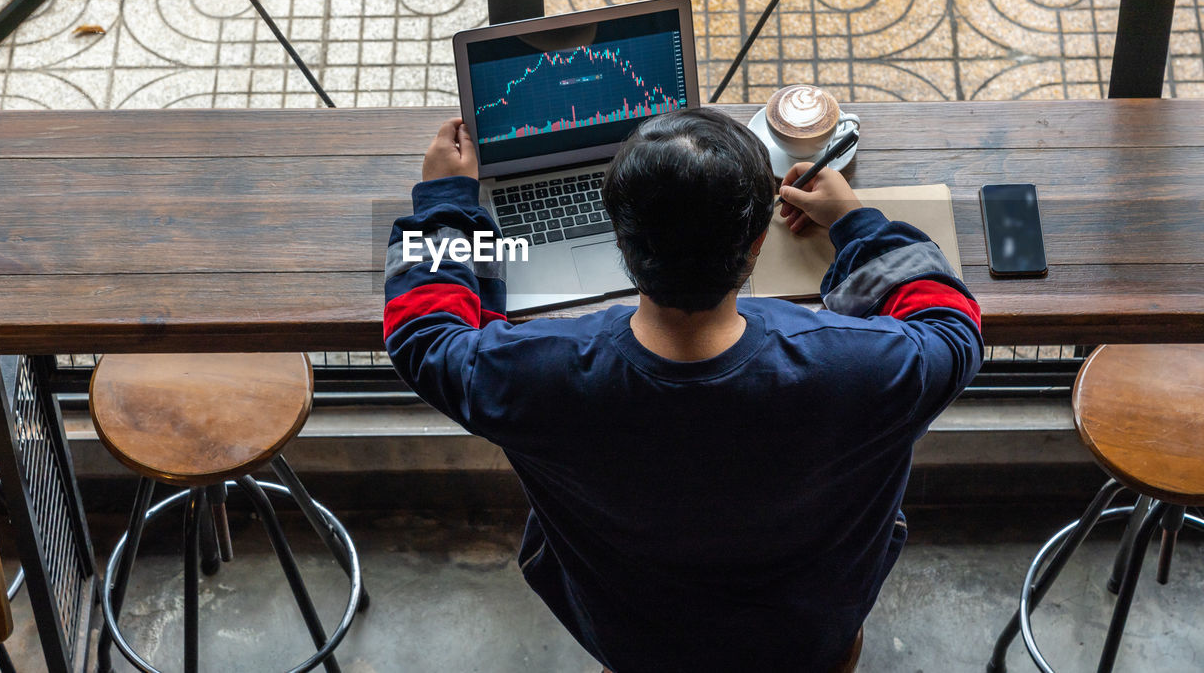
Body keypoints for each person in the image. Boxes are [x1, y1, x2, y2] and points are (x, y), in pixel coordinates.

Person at [383, 108, 982, 672]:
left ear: (621, 244)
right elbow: (952, 324)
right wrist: (856, 222)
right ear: (753, 248)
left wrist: (445, 200)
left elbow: (423, 333)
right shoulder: (862, 370)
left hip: (633, 638)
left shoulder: (534, 377)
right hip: (809, 635)